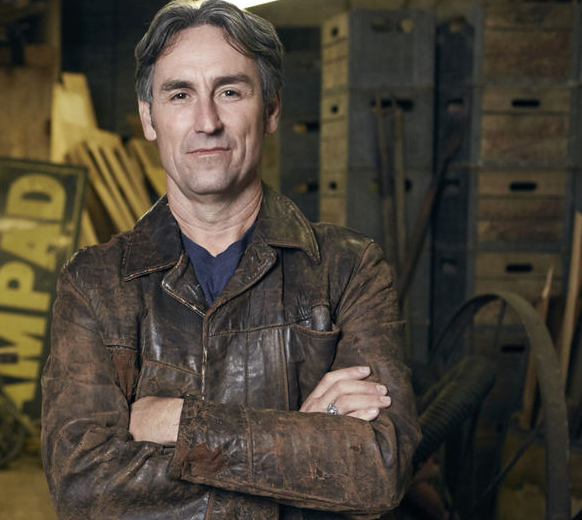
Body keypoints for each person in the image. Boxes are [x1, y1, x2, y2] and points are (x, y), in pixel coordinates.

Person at [40, 1, 420, 518]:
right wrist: (303, 439)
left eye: (230, 91)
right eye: (180, 94)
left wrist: (176, 423)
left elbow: (379, 470)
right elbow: (82, 486)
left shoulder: (348, 269)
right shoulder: (94, 282)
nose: (207, 122)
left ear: (271, 109)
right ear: (149, 117)